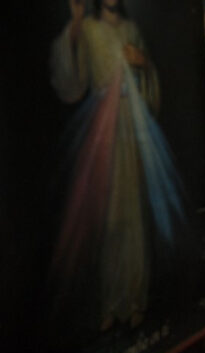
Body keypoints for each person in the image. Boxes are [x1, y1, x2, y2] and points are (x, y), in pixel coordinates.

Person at [50, 0, 183, 331]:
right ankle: (109, 303)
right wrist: (77, 26)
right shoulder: (91, 30)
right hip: (102, 133)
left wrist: (144, 65)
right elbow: (72, 82)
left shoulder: (131, 29)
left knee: (134, 216)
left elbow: (149, 79)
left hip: (134, 131)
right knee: (108, 218)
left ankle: (134, 299)